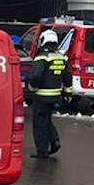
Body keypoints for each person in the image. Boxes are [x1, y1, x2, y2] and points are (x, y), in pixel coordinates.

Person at [26, 29, 68, 159]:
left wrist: (31, 88)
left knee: (39, 123)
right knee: (47, 120)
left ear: (43, 40)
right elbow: (68, 77)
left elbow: (36, 76)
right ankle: (54, 141)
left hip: (42, 96)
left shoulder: (42, 58)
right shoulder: (61, 57)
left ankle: (42, 151)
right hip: (55, 96)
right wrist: (68, 93)